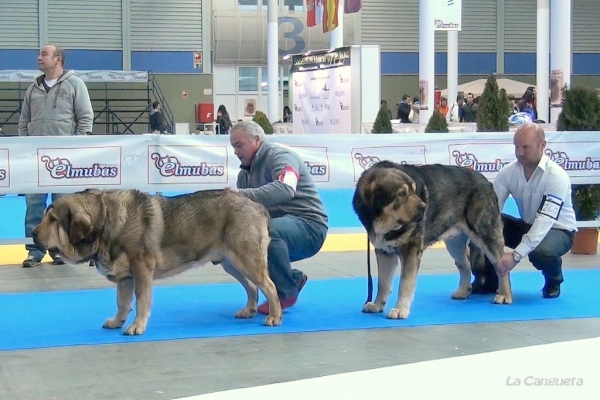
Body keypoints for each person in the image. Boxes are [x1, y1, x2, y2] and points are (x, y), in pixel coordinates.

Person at [226, 120, 329, 314]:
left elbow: (285, 189)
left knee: (267, 234)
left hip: (310, 226)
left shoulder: (281, 157)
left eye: (239, 145)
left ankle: (285, 292)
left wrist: (240, 195)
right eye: (233, 147)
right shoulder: (243, 176)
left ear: (256, 140)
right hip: (283, 227)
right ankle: (291, 278)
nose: (235, 152)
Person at [472, 124, 577, 299]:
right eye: (516, 147)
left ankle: (553, 279)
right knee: (482, 225)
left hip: (558, 230)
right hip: (526, 225)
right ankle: (488, 280)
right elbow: (492, 208)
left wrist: (514, 256)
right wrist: (476, 237)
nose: (520, 153)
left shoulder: (556, 176)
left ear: (542, 145)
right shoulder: (507, 172)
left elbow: (544, 221)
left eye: (526, 147)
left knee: (542, 251)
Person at [18, 44, 94, 268]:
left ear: (58, 59)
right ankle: (34, 251)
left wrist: (75, 149)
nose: (39, 57)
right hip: (36, 159)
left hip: (64, 161)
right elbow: (24, 122)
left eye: (44, 54)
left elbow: (86, 118)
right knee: (34, 206)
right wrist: (26, 147)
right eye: (39, 54)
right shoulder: (32, 89)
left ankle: (60, 250)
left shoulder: (75, 85)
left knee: (62, 206)